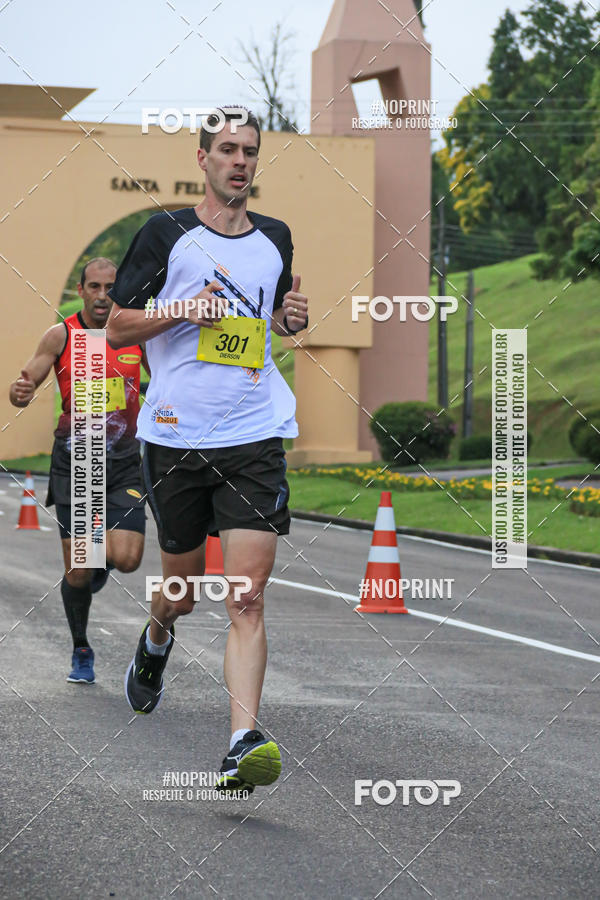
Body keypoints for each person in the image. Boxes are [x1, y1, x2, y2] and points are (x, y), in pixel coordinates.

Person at [106, 107, 308, 796]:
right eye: (227, 150)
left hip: (253, 432)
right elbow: (116, 330)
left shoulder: (276, 236)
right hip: (175, 436)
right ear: (202, 159)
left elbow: (275, 310)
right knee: (183, 592)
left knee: (246, 597)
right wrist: (182, 310)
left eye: (249, 151)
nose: (240, 162)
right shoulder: (165, 234)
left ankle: (240, 741)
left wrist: (291, 319)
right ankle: (157, 635)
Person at [9, 258, 148, 685]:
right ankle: (81, 647)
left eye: (110, 286)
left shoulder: (134, 333)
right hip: (77, 461)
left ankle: (94, 564)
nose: (103, 295)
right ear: (82, 288)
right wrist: (21, 392)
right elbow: (25, 383)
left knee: (127, 558)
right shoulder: (62, 334)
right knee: (79, 572)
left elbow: (165, 379)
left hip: (124, 460)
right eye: (95, 286)